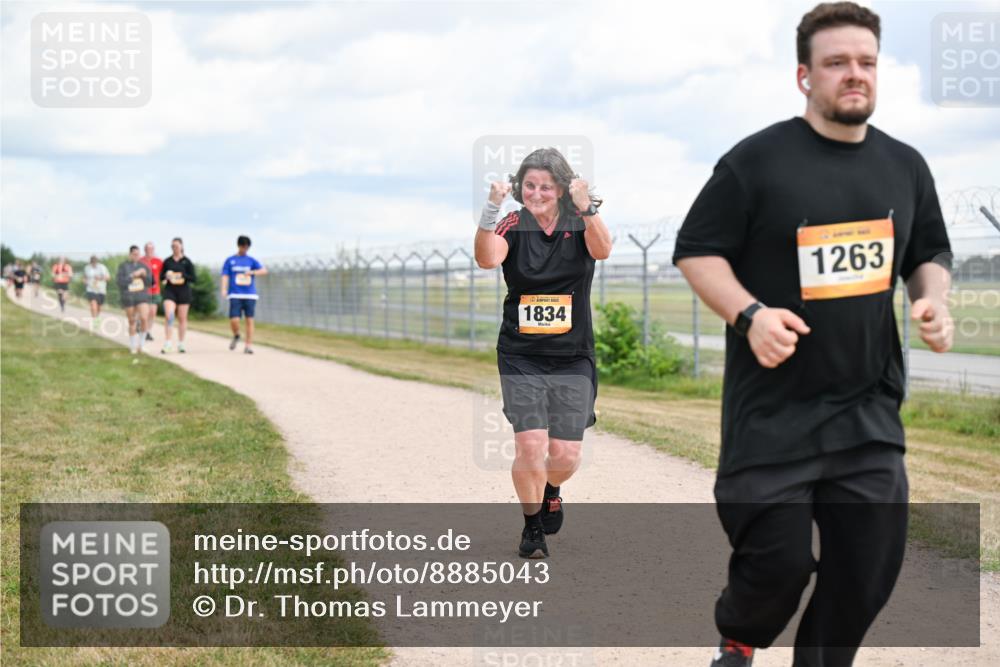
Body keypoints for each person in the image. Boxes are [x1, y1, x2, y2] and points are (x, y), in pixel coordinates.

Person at [672, 4, 954, 665]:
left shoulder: (905, 167)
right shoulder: (756, 162)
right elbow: (696, 251)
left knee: (866, 571)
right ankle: (737, 645)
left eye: (866, 62)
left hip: (866, 412)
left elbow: (928, 255)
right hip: (772, 416)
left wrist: (931, 301)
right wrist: (751, 315)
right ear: (805, 76)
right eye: (836, 63)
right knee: (779, 565)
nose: (854, 75)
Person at [474, 148, 612, 559]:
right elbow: (486, 259)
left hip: (572, 355)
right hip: (522, 353)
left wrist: (586, 206)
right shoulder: (513, 223)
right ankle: (532, 526)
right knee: (531, 444)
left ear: (562, 188)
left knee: (565, 453)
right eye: (529, 185)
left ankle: (552, 490)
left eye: (546, 186)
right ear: (520, 187)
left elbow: (603, 250)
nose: (536, 193)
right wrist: (491, 207)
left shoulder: (578, 221)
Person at [219, 235, 267, 354]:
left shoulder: (251, 260)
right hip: (235, 294)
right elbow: (225, 275)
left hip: (250, 294)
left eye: (247, 247)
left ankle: (248, 345)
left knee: (249, 320)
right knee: (234, 319)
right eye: (243, 247)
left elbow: (264, 270)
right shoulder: (230, 260)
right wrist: (224, 289)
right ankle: (236, 334)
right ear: (239, 246)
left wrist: (252, 272)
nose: (245, 249)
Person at [159, 237, 196, 353]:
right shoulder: (167, 261)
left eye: (176, 246)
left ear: (181, 246)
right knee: (169, 315)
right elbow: (161, 277)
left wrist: (182, 275)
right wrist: (166, 276)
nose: (174, 248)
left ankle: (181, 343)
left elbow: (193, 278)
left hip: (183, 292)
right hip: (170, 291)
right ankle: (168, 342)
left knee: (182, 318)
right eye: (172, 246)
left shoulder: (187, 262)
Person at [116, 246, 153, 356]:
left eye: (138, 254)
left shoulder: (144, 267)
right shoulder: (123, 266)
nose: (136, 256)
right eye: (134, 254)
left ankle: (141, 345)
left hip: (142, 296)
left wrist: (144, 274)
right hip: (129, 297)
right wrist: (133, 275)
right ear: (130, 254)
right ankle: (132, 346)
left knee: (144, 318)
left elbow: (151, 282)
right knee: (132, 321)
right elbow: (120, 282)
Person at [139, 242, 163, 342]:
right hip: (142, 291)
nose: (149, 251)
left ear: (153, 250)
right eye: (147, 249)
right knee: (144, 313)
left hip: (155, 290)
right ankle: (141, 327)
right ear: (144, 250)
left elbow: (164, 274)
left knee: (152, 312)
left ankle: (148, 331)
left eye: (151, 249)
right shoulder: (140, 261)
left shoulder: (158, 261)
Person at [83, 256, 111, 322]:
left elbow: (108, 278)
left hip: (101, 290)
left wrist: (100, 278)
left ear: (97, 262)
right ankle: (95, 320)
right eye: (92, 262)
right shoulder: (87, 268)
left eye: (95, 262)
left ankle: (97, 317)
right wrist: (85, 281)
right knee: (93, 304)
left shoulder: (102, 267)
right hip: (91, 289)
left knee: (99, 307)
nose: (93, 263)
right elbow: (84, 277)